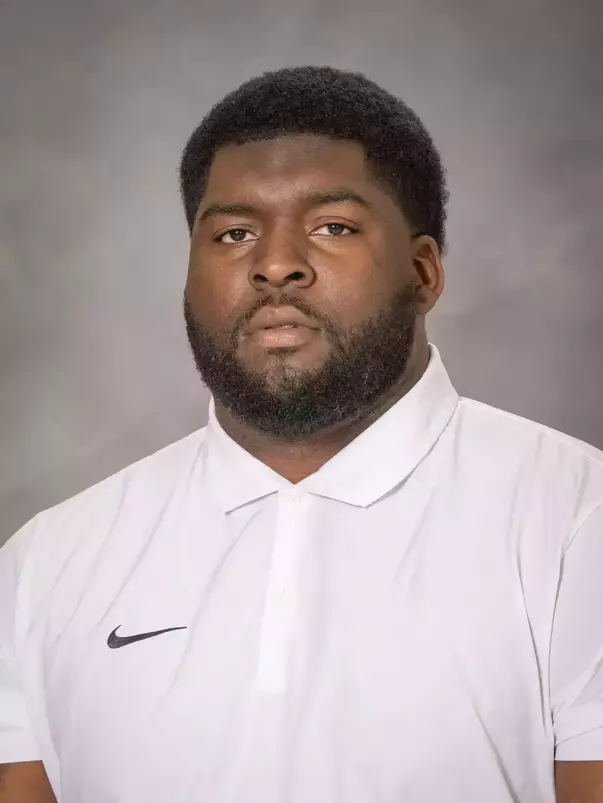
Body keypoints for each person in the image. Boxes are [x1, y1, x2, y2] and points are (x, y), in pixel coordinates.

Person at [0, 65, 602, 803]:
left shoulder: (576, 520)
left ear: (423, 272)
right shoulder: (46, 562)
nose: (274, 264)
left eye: (332, 227)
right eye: (234, 232)